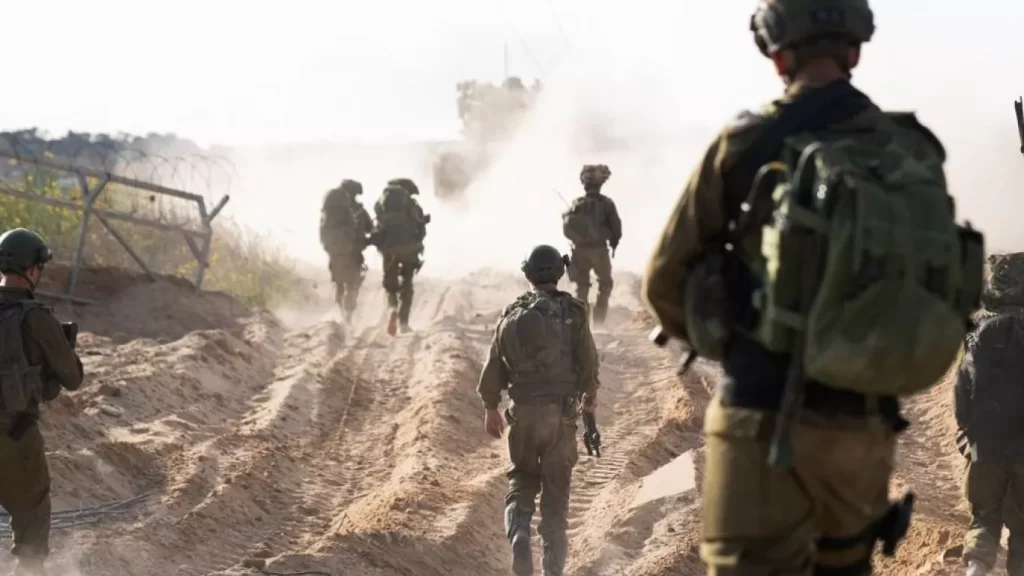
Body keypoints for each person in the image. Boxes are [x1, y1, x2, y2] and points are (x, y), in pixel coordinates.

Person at [643, 0, 981, 573]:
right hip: (863, 428)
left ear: (778, 57)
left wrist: (741, 339)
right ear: (854, 52)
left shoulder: (746, 143)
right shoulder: (911, 147)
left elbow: (663, 282)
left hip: (761, 417)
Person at [477, 244, 599, 576]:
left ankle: (519, 533)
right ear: (560, 273)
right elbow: (588, 362)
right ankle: (552, 571)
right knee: (556, 504)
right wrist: (590, 397)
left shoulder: (511, 314)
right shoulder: (574, 312)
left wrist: (491, 407)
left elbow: (494, 366)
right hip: (560, 418)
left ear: (528, 274)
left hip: (523, 415)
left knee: (521, 482)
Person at [0, 228, 84, 576]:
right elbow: (73, 378)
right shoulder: (37, 318)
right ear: (32, 269)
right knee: (33, 515)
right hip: (14, 435)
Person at [955, 253, 1024, 576]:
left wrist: (970, 441)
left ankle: (974, 571)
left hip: (986, 450)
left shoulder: (979, 331)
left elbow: (962, 396)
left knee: (983, 521)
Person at [561, 164, 621, 326]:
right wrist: (614, 242)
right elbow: (616, 227)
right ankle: (599, 323)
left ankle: (582, 324)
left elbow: (566, 228)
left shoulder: (576, 204)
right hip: (600, 250)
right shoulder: (606, 203)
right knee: (605, 284)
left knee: (582, 287)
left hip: (580, 251)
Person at [373, 177, 430, 336]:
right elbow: (421, 230)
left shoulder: (381, 204)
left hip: (389, 249)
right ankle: (403, 324)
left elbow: (377, 227)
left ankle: (392, 308)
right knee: (407, 284)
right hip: (409, 250)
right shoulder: (413, 205)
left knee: (390, 287)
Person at [319, 179, 374, 323]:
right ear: (355, 194)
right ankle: (348, 318)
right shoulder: (360, 212)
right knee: (351, 286)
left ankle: (338, 314)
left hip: (335, 253)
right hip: (354, 254)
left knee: (339, 285)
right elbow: (371, 229)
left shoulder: (330, 211)